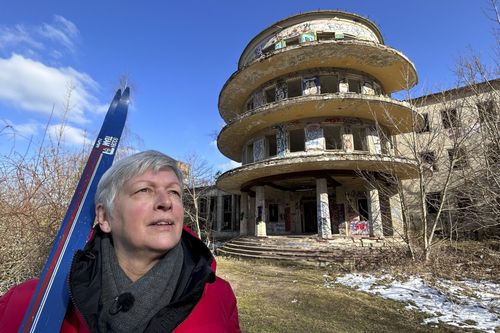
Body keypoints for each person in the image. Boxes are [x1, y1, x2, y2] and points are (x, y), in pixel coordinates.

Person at [0, 150, 240, 332]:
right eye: (144, 190)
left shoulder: (218, 296)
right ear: (104, 217)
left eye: (174, 192)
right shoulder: (25, 305)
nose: (166, 202)